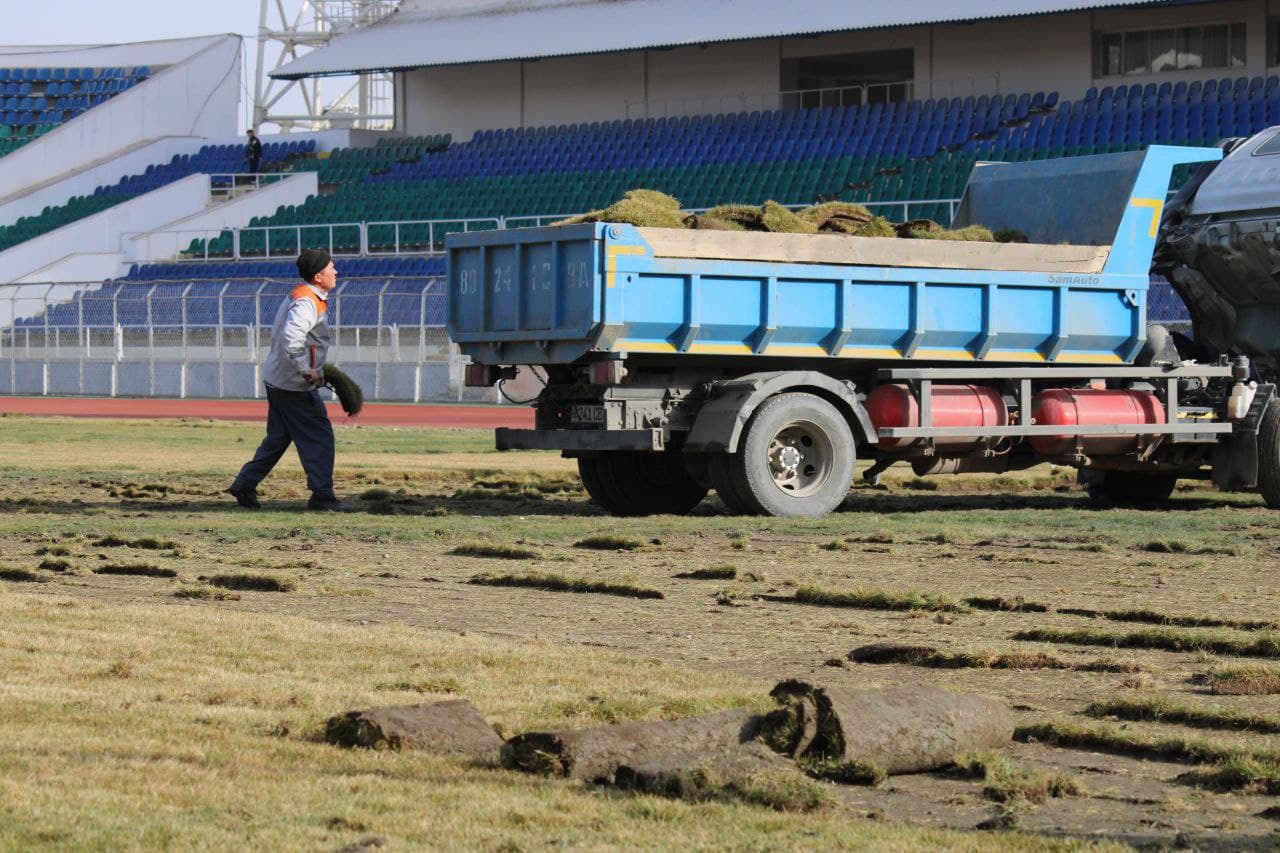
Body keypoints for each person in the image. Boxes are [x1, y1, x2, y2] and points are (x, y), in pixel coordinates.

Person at [227, 248, 351, 512]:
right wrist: (307, 369)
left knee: (278, 438)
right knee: (319, 437)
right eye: (331, 267)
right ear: (318, 275)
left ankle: (245, 484)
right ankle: (322, 497)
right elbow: (292, 337)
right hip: (293, 384)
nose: (336, 271)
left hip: (279, 379)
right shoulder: (307, 302)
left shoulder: (305, 295)